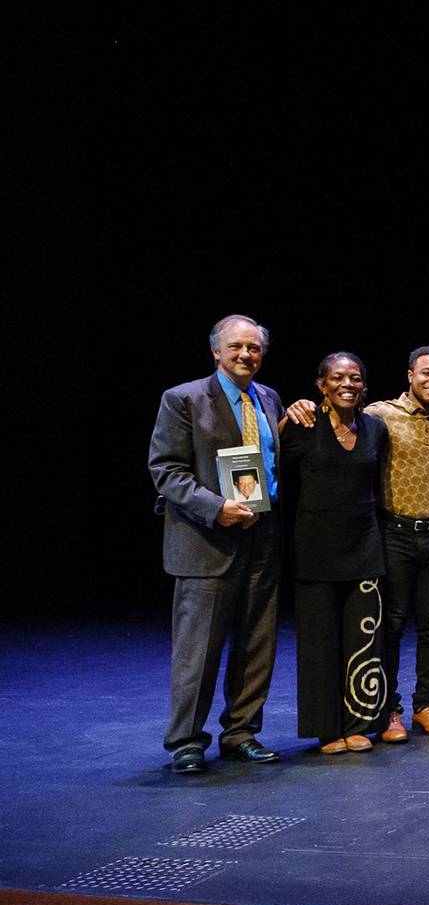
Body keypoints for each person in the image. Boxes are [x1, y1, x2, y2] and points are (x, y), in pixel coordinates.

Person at [149, 315, 286, 773]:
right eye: (236, 347)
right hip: (207, 538)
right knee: (198, 650)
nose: (246, 354)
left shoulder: (268, 398)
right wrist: (215, 508)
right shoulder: (184, 398)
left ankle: (241, 732)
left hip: (262, 534)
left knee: (256, 644)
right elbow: (167, 470)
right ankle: (186, 741)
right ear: (215, 351)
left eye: (254, 348)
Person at [281, 353, 392, 753]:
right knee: (319, 643)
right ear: (322, 385)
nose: (347, 384)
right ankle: (327, 729)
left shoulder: (375, 428)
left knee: (364, 639)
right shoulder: (302, 425)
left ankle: (359, 722)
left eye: (355, 378)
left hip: (364, 546)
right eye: (338, 377)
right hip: (315, 548)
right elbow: (272, 473)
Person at [363, 348, 429, 738]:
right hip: (394, 532)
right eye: (427, 373)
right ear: (410, 376)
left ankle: (426, 706)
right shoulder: (380, 414)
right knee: (392, 624)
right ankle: (389, 709)